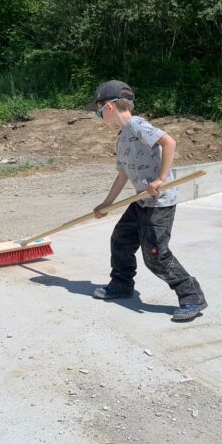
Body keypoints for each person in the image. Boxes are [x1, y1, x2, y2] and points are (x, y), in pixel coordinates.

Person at [85, 80, 207, 321]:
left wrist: (161, 178)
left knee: (155, 255)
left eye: (99, 112)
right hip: (141, 201)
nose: (100, 119)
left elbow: (168, 142)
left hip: (159, 204)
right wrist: (107, 203)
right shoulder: (121, 139)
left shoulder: (137, 125)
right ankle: (121, 284)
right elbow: (123, 175)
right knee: (120, 239)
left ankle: (192, 296)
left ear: (108, 107)